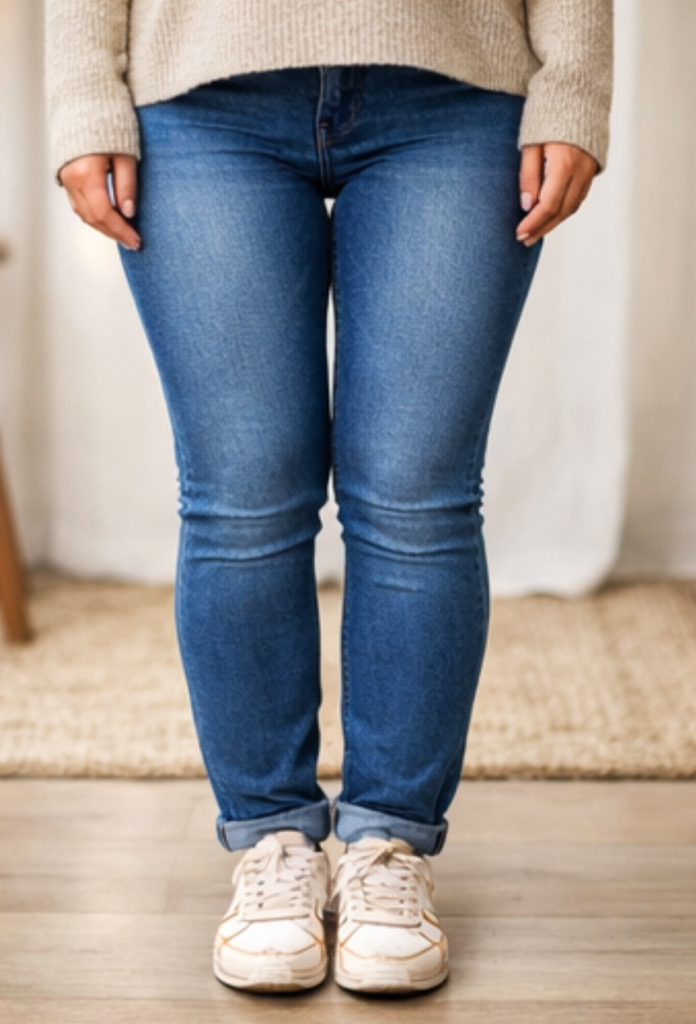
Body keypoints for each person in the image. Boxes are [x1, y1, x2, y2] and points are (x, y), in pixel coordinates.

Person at [46, 0, 613, 996]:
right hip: (199, 90)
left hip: (456, 82)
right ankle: (272, 843)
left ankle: (391, 845)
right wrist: (85, 93)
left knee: (417, 499)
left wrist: (573, 83)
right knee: (242, 500)